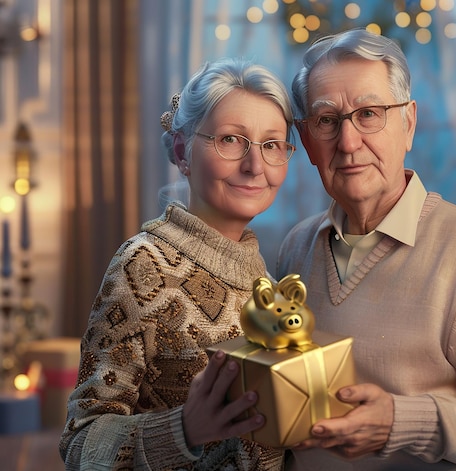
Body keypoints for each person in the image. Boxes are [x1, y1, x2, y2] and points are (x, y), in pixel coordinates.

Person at [276, 29, 456, 470]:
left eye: (369, 114)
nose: (347, 143)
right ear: (307, 141)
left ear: (408, 122)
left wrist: (398, 423)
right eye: (327, 121)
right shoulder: (296, 248)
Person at [60, 58, 296, 470]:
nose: (255, 166)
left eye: (272, 145)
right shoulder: (142, 264)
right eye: (231, 140)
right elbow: (80, 444)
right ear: (184, 152)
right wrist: (184, 429)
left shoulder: (270, 282)